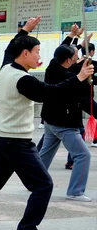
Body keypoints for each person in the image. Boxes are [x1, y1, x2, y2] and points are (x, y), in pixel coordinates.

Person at [0, 16, 94, 230]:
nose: (39, 56)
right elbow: (50, 93)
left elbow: (9, 49)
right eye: (37, 52)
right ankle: (27, 228)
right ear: (25, 54)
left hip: (2, 138)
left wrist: (24, 30)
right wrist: (80, 77)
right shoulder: (22, 80)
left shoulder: (6, 68)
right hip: (17, 143)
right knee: (43, 185)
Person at [38, 42, 93, 202]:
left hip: (50, 120)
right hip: (64, 123)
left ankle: (33, 180)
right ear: (68, 60)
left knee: (45, 153)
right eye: (76, 58)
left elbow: (60, 52)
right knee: (83, 155)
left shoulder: (53, 67)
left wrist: (72, 38)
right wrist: (83, 77)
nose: (79, 60)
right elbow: (83, 100)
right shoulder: (71, 78)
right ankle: (75, 191)